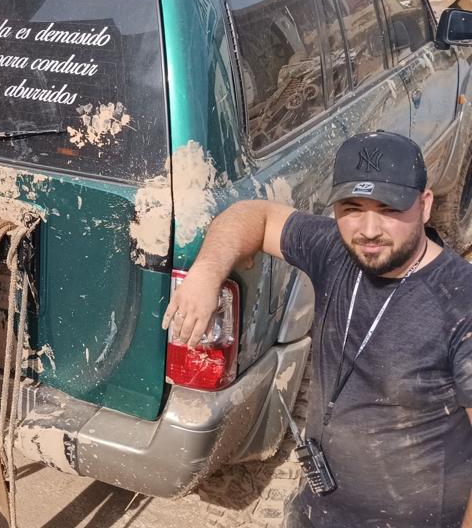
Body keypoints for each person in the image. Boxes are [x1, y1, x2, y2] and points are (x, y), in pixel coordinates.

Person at [165, 131, 472, 528]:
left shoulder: (460, 305)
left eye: (389, 208)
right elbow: (255, 215)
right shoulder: (337, 250)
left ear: (425, 204)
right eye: (352, 207)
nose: (369, 229)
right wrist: (206, 273)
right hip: (319, 508)